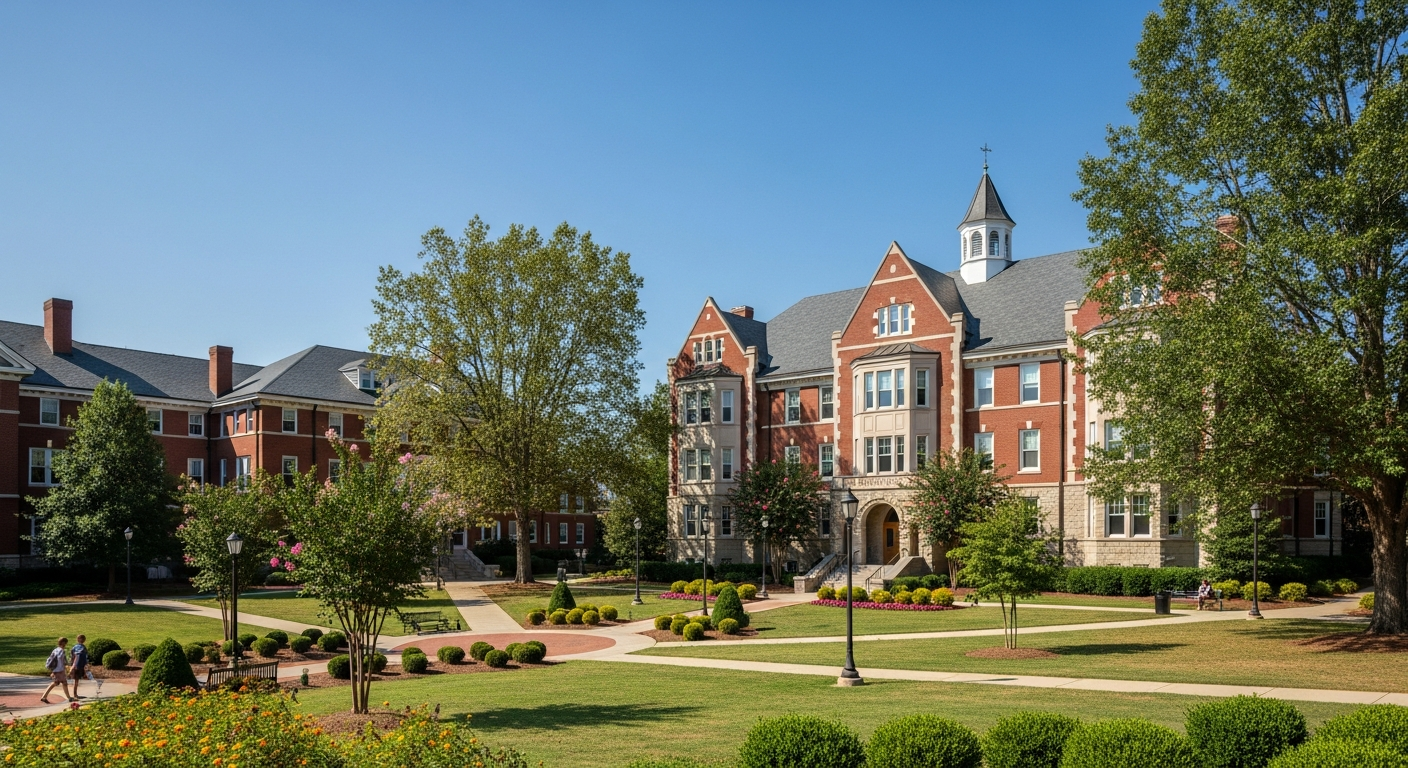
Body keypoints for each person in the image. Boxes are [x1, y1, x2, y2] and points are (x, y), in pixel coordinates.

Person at [40, 637, 72, 704]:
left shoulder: (55, 650)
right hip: (59, 670)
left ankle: (44, 696)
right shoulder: (61, 651)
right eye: (65, 643)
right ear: (64, 643)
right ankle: (69, 698)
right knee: (63, 683)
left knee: (56, 683)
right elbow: (61, 660)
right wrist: (65, 667)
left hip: (55, 669)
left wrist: (53, 670)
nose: (66, 644)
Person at [68, 634, 92, 699]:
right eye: (81, 639)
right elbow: (77, 655)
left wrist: (72, 663)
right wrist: (74, 665)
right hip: (78, 666)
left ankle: (75, 694)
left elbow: (72, 655)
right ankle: (75, 695)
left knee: (77, 681)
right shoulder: (82, 648)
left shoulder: (75, 647)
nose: (82, 640)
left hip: (79, 666)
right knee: (76, 681)